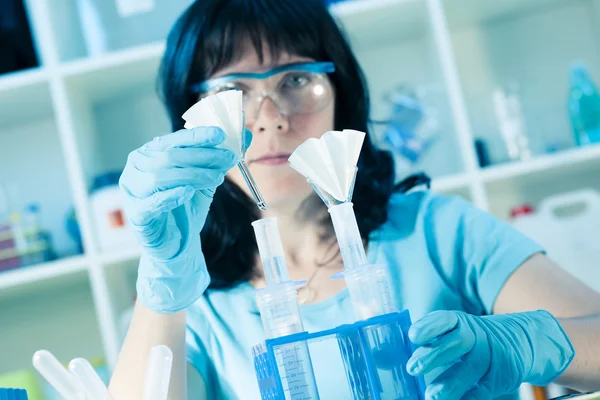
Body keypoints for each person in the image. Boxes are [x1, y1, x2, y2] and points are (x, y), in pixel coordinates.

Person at [110, 1, 600, 399]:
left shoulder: (436, 232)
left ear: (341, 95)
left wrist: (526, 344)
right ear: (191, 120)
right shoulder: (195, 303)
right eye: (232, 92)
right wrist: (164, 286)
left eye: (296, 80)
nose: (270, 119)